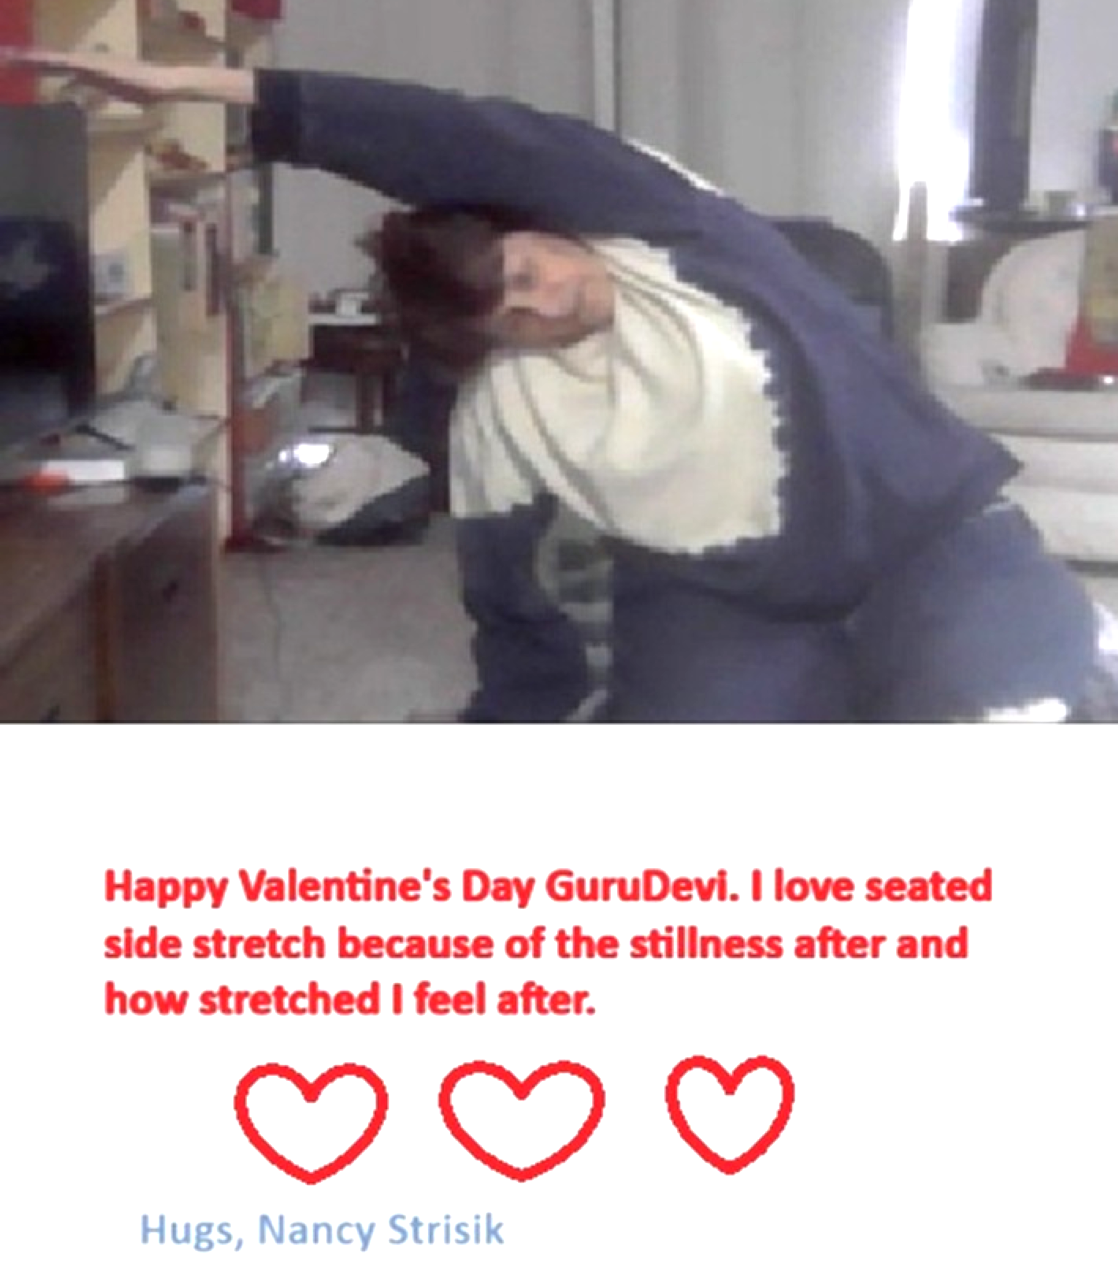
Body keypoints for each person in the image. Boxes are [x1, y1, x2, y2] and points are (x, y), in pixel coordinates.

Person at [1, 46, 1108, 722]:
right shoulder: (506, 411)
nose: (544, 304)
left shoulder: (679, 237)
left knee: (1015, 716)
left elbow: (467, 136)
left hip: (926, 537)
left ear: (546, 225)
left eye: (531, 270)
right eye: (510, 318)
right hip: (730, 599)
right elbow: (510, 600)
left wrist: (213, 86)